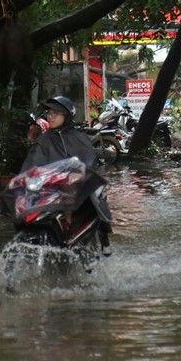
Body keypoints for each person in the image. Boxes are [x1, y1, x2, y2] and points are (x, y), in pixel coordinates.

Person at [21, 96, 113, 254]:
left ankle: (88, 233)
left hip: (76, 185)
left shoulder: (79, 138)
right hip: (50, 184)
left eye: (56, 113)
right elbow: (32, 163)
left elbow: (88, 161)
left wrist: (77, 175)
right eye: (49, 113)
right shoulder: (43, 140)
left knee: (84, 194)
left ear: (66, 115)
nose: (51, 116)